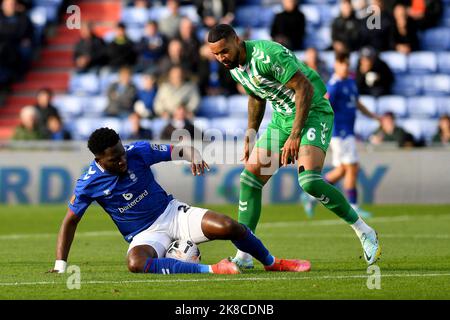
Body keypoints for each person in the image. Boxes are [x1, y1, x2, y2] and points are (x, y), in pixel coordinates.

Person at [207, 24, 381, 269]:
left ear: (237, 40)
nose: (221, 57)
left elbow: (304, 87)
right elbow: (256, 96)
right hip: (282, 118)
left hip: (312, 111)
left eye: (224, 51)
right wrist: (251, 134)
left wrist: (295, 135)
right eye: (215, 54)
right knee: (249, 179)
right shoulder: (234, 67)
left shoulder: (267, 56)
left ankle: (365, 231)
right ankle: (244, 255)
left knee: (309, 181)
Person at [48, 127, 311, 274]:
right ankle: (212, 269)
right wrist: (61, 265)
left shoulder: (136, 152)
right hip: (144, 235)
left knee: (229, 226)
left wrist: (193, 154)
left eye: (121, 153)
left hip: (172, 214)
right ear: (98, 160)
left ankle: (271, 262)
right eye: (114, 159)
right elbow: (70, 221)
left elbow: (179, 149)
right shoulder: (88, 183)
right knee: (135, 263)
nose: (122, 160)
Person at [301, 52, 380, 219]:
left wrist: (372, 116)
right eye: (342, 64)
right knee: (353, 167)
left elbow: (356, 103)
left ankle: (311, 196)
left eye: (347, 64)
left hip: (348, 131)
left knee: (343, 169)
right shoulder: (334, 86)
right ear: (336, 66)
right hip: (340, 133)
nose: (345, 67)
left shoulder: (350, 82)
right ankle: (354, 206)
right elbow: (325, 105)